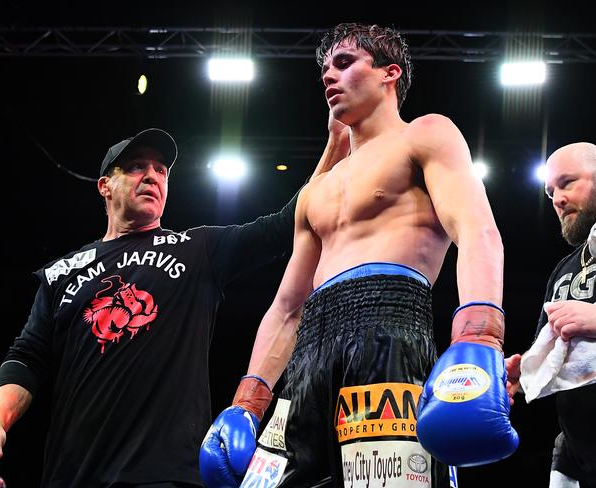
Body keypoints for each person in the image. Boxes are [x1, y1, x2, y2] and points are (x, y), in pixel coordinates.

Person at [200, 23, 518, 488]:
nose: (328, 76)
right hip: (309, 353)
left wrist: (480, 334)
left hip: (388, 333)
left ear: (390, 74)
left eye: (345, 63)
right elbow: (287, 307)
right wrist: (248, 401)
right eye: (325, 69)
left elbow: (477, 231)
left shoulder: (425, 134)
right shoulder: (316, 191)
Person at [0, 124, 349, 488]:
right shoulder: (62, 273)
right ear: (104, 186)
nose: (152, 175)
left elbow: (285, 224)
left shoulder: (198, 250)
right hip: (73, 472)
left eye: (161, 170)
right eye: (136, 167)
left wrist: (335, 142)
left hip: (166, 472)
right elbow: (27, 357)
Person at [506, 142, 596, 488]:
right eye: (550, 192)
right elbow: (547, 347)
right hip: (577, 453)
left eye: (568, 182)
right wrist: (522, 370)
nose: (557, 198)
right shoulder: (564, 270)